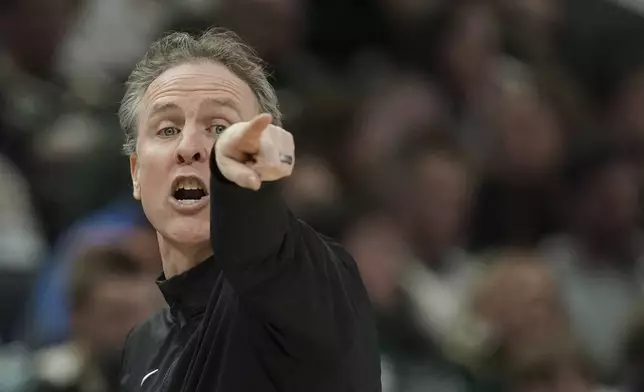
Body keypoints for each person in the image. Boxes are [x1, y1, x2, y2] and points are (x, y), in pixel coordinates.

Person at [117, 28, 381, 392]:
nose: (190, 146)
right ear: (136, 174)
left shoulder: (314, 282)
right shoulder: (142, 345)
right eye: (167, 130)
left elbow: (260, 246)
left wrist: (237, 174)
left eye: (220, 127)